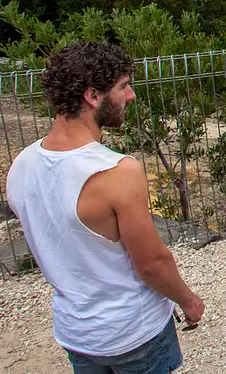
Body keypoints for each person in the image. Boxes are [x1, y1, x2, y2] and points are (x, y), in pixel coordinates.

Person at [6, 42, 204, 373]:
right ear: (92, 96)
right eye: (123, 87)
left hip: (76, 334)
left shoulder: (21, 166)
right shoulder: (115, 171)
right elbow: (152, 264)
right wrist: (189, 301)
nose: (131, 96)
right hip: (133, 331)